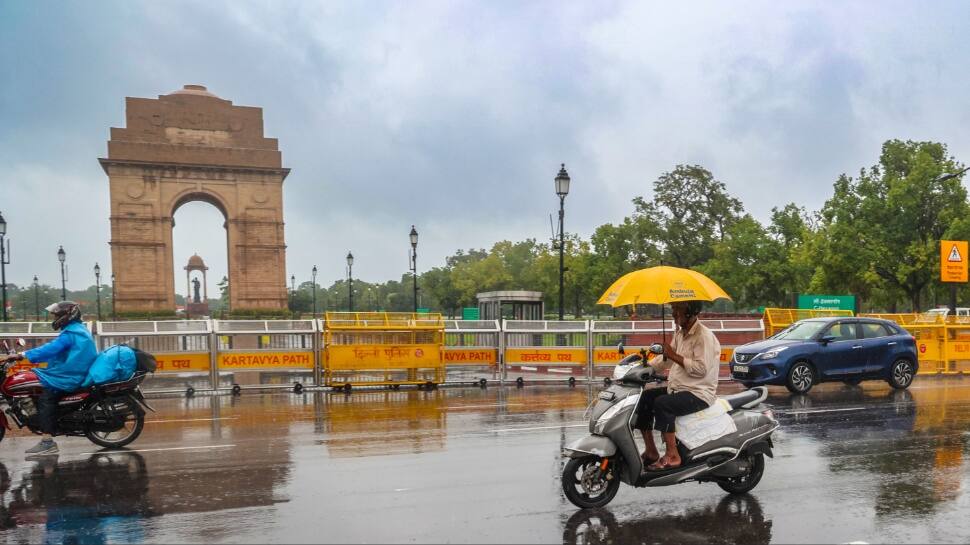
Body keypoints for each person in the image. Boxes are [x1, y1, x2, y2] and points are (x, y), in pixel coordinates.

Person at [632, 300, 720, 470]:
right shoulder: (680, 334)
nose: (673, 313)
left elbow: (701, 369)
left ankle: (673, 455)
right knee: (644, 398)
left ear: (691, 312)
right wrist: (643, 369)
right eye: (673, 309)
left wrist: (673, 355)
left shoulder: (704, 337)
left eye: (678, 309)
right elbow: (665, 359)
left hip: (698, 393)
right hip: (679, 389)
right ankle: (651, 451)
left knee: (663, 404)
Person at [4, 301, 98, 456]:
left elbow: (51, 348)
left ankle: (47, 442)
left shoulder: (71, 334)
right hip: (69, 371)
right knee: (37, 380)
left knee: (45, 397)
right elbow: (54, 349)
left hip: (70, 375)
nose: (54, 318)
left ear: (66, 316)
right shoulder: (77, 330)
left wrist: (23, 355)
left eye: (56, 315)